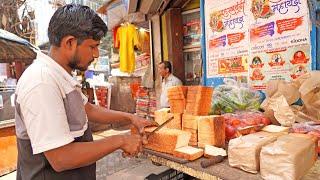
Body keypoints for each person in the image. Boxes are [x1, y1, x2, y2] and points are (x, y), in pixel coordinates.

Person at [14, 4, 154, 180]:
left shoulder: (60, 75)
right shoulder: (41, 82)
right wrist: (121, 140)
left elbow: (89, 110)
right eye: (92, 46)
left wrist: (130, 118)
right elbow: (61, 157)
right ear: (70, 43)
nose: (96, 54)